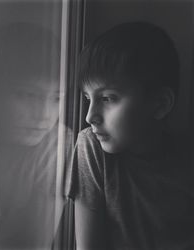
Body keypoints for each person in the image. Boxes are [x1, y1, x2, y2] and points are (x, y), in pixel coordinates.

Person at [67, 22, 194, 250]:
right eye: (88, 98)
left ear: (160, 104)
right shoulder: (92, 147)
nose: (89, 116)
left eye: (107, 98)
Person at [0, 22, 70, 249]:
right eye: (27, 95)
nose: (43, 116)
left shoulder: (56, 147)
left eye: (56, 98)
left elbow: (33, 244)